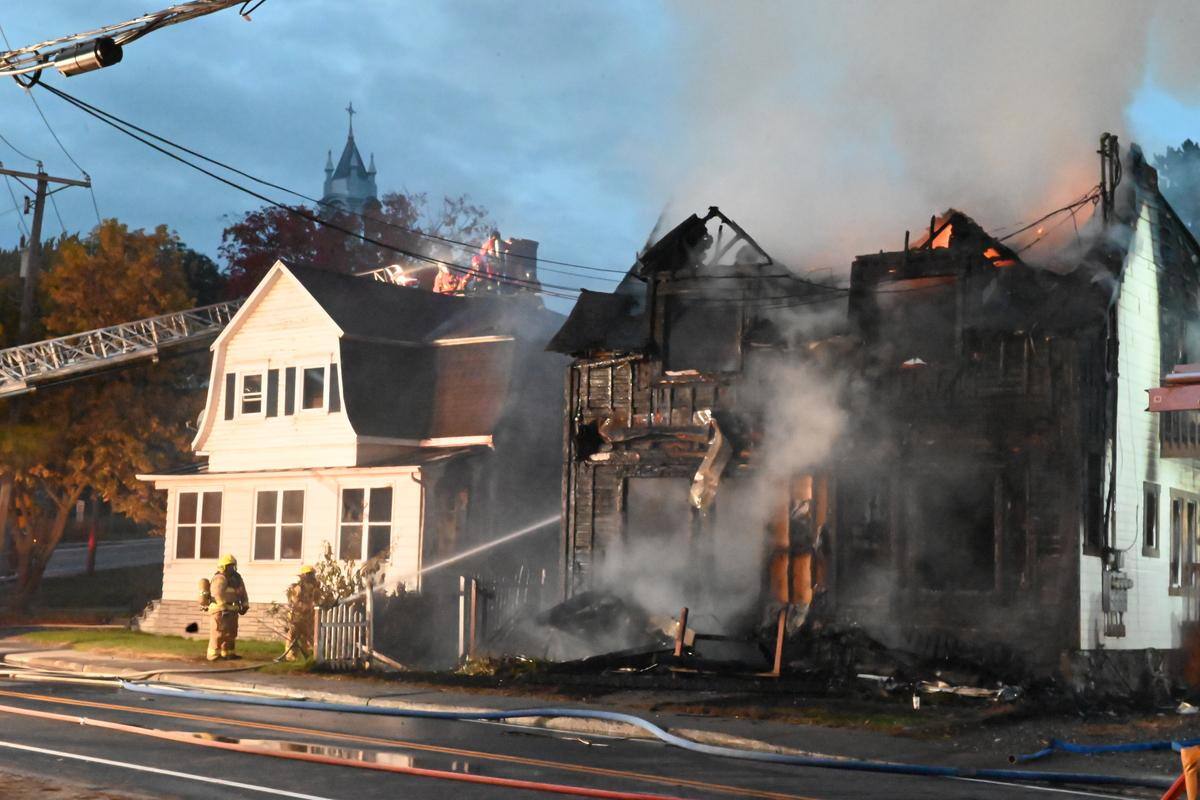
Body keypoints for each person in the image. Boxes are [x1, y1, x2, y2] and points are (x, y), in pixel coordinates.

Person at [207, 553, 248, 661]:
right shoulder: (219, 578)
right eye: (229, 566)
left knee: (231, 633)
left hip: (233, 611)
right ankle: (214, 655)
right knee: (219, 633)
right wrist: (223, 607)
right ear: (223, 567)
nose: (232, 568)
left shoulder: (237, 579)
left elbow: (243, 592)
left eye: (233, 566)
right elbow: (217, 593)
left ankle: (228, 653)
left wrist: (245, 605)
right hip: (219, 611)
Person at [283, 564, 319, 661]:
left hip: (308, 616)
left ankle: (308, 655)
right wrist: (305, 607)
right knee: (293, 635)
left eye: (312, 574)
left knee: (307, 636)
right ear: (304, 576)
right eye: (310, 574)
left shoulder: (314, 587)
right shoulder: (298, 588)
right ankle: (290, 656)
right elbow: (294, 603)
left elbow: (317, 600)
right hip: (297, 616)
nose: (312, 577)